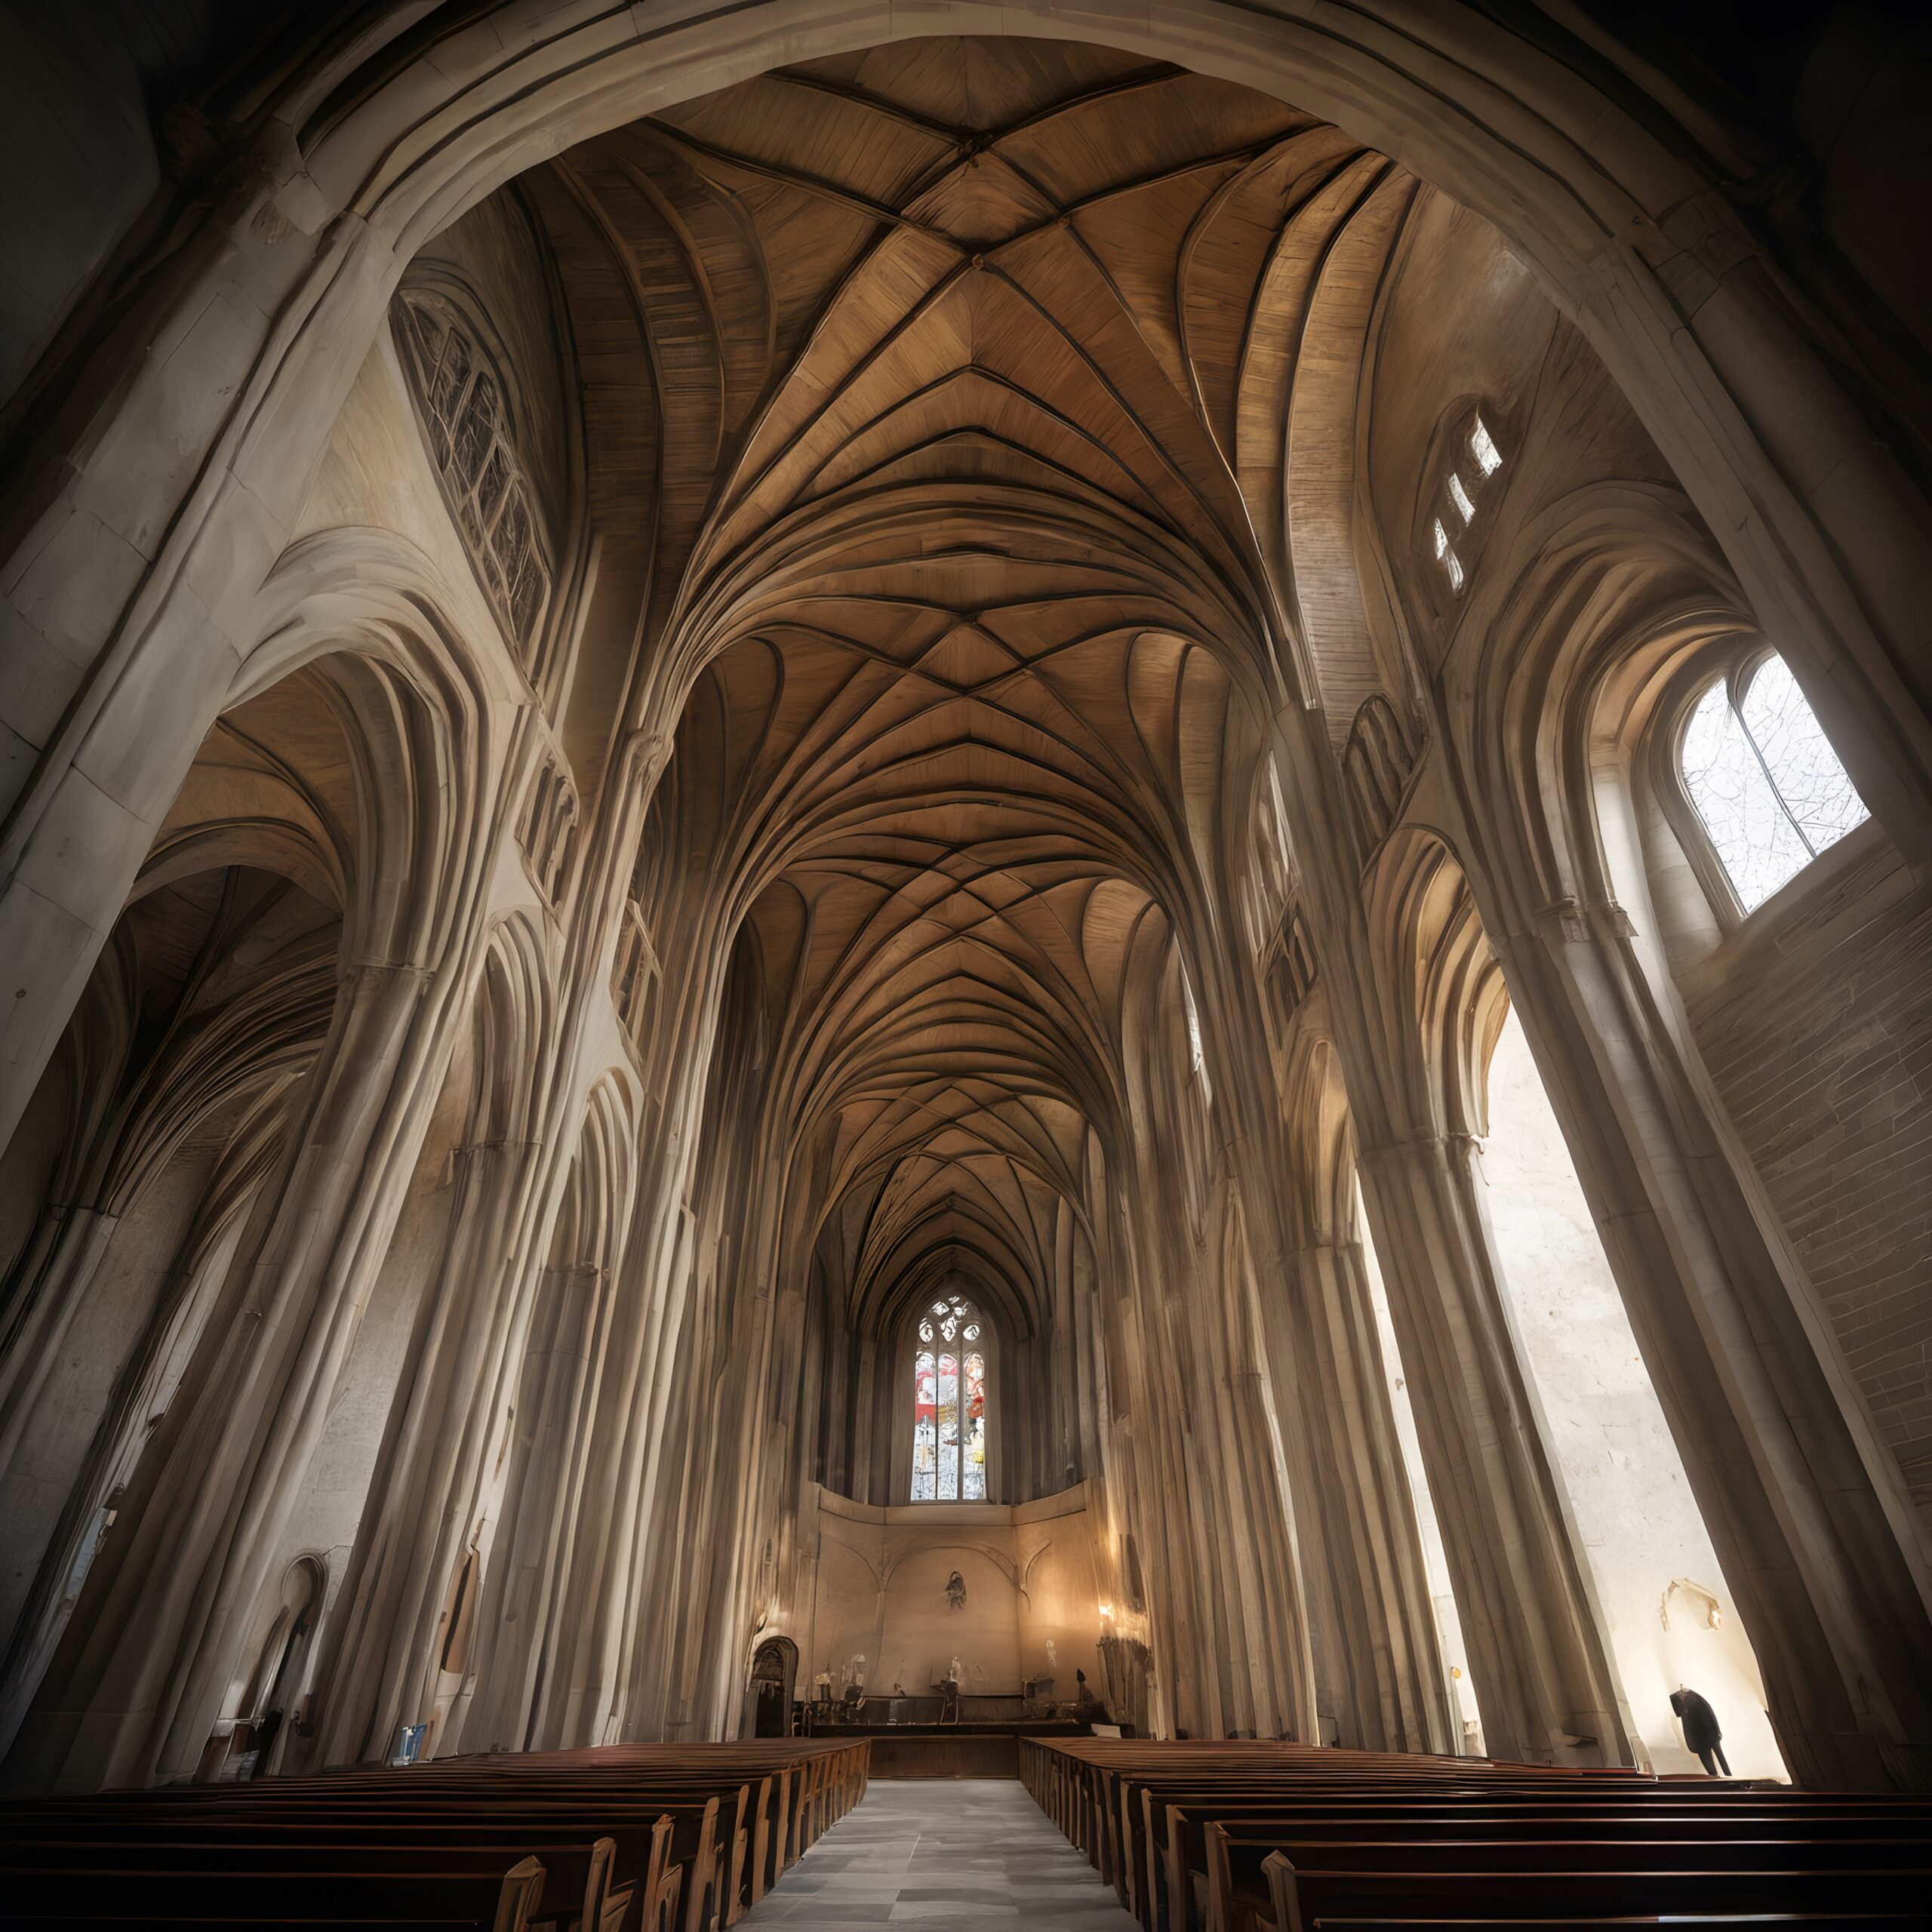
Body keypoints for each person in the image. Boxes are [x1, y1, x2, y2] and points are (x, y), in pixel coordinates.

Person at [1669, 1684, 1729, 1776]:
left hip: (1705, 1738)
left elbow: (1706, 1715)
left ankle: (1726, 1779)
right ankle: (1725, 1779)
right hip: (1704, 1739)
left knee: (1715, 1769)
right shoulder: (1692, 1700)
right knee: (1716, 1768)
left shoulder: (1689, 1701)